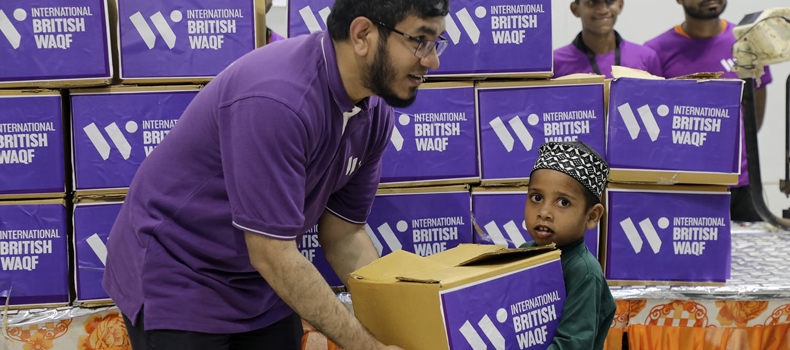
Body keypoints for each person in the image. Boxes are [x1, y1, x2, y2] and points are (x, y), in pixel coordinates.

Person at [102, 0, 449, 348]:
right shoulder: (277, 100)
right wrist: (367, 346)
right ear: (362, 35)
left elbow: (344, 236)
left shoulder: (373, 115)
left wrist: (397, 328)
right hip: (181, 274)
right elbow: (272, 253)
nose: (432, 60)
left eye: (436, 43)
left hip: (260, 280)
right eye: (420, 40)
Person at [644, 0, 772, 222]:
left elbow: (753, 119)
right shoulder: (656, 51)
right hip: (686, 187)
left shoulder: (748, 42)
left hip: (742, 185)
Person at [520, 141, 615, 349]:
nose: (544, 212)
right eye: (536, 197)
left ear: (592, 216)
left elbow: (572, 344)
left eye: (563, 202)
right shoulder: (523, 253)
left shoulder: (584, 272)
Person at [553, 0, 662, 78]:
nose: (603, 10)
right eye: (592, 2)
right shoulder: (554, 63)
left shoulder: (646, 58)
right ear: (575, 9)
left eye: (609, 1)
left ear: (620, 4)